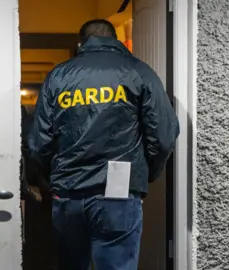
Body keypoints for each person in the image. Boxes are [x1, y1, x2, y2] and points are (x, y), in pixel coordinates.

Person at [27, 19, 179, 270]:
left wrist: (48, 180)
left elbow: (38, 142)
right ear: (115, 40)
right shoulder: (138, 72)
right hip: (118, 192)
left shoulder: (58, 76)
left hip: (69, 191)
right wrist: (144, 175)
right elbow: (164, 134)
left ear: (80, 44)